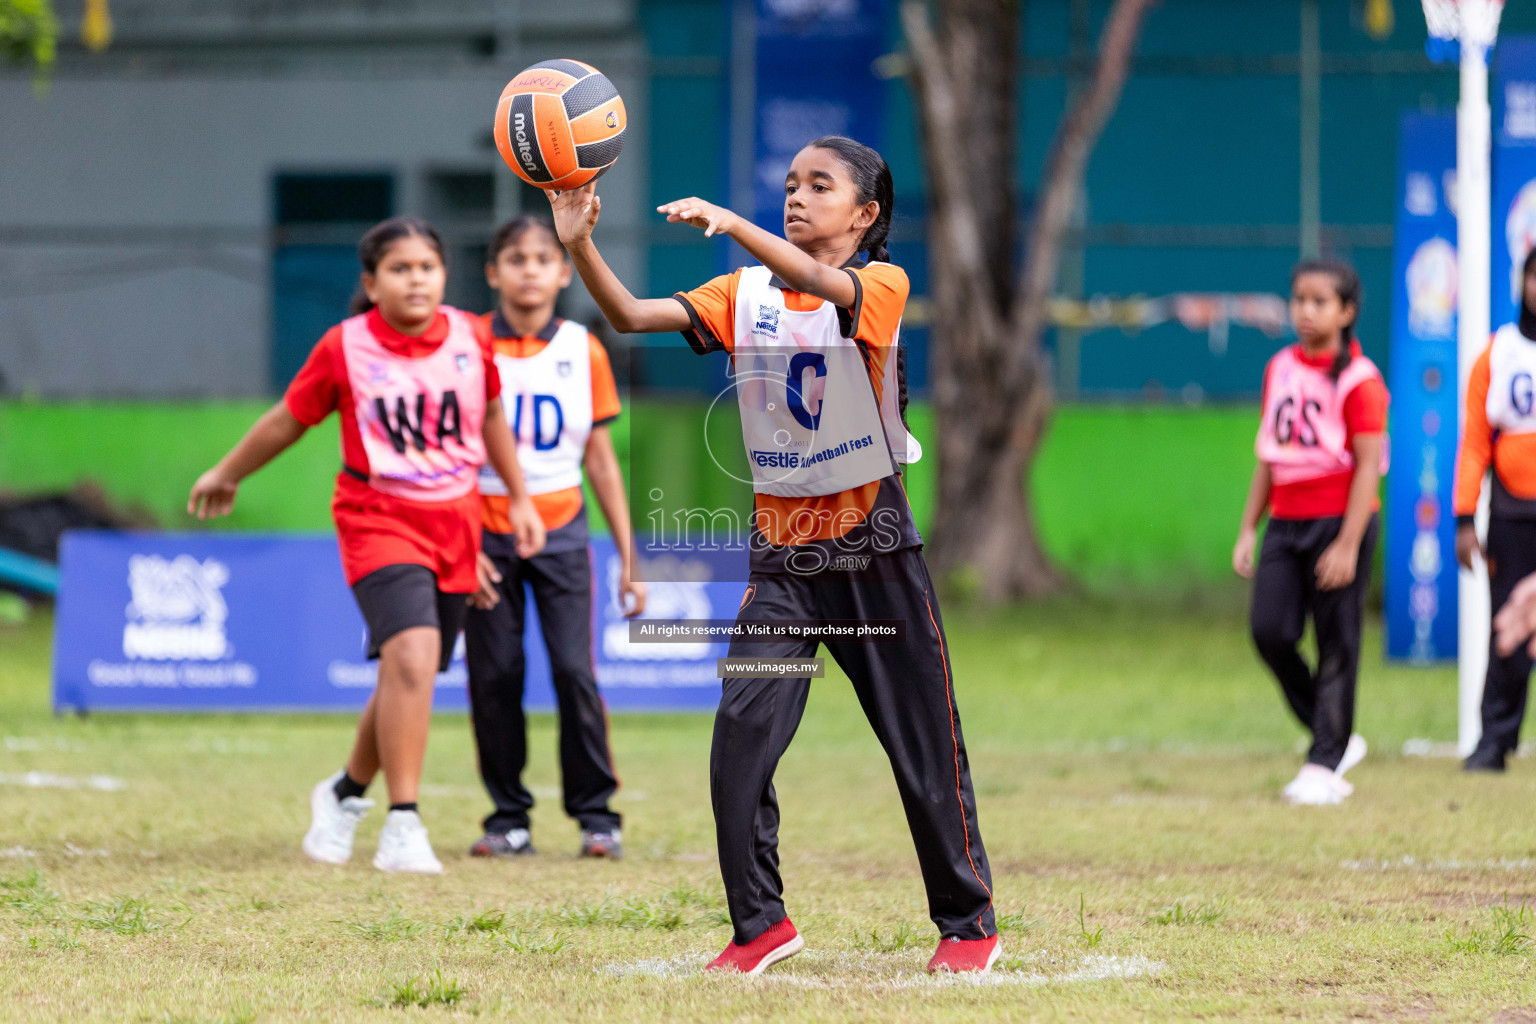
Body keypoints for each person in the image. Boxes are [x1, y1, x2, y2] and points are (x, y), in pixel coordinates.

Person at [547, 135, 999, 975]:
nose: (796, 195)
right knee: (742, 738)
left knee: (923, 747)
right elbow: (631, 317)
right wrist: (579, 242)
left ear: (864, 215)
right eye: (789, 183)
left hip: (876, 557)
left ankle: (968, 926)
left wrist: (734, 223)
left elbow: (821, 280)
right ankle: (761, 925)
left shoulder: (880, 287)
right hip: (785, 564)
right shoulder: (743, 291)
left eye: (818, 185)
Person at [188, 217, 545, 873]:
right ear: (371, 282)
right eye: (400, 269)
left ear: (444, 275)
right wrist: (227, 470)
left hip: (456, 520)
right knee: (411, 657)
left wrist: (518, 497)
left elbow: (491, 413)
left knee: (411, 675)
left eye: (427, 268)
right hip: (377, 517)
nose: (416, 279)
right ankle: (402, 824)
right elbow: (288, 418)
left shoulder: (471, 335)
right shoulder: (345, 346)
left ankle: (345, 792)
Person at [465, 215, 645, 861]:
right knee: (495, 675)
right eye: (515, 258)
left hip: (564, 527)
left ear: (564, 272)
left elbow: (600, 459)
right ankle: (507, 817)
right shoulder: (467, 343)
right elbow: (454, 451)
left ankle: (597, 816)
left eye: (544, 258)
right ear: (493, 272)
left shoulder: (583, 348)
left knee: (574, 671)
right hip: (485, 530)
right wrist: (460, 543)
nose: (531, 269)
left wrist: (629, 557)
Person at [1233, 258, 1388, 806]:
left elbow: (1368, 466)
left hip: (1338, 519)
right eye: (1299, 299)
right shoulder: (1280, 367)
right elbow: (1268, 454)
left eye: (1319, 301)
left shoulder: (1359, 380)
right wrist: (1250, 527)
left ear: (1346, 312)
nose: (1305, 310)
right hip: (1286, 521)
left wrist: (1347, 544)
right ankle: (1334, 733)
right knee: (1269, 632)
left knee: (1337, 642)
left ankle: (1324, 762)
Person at [1454, 249, 1536, 772]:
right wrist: (1465, 517)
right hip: (1513, 515)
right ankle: (1495, 740)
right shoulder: (1497, 353)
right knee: (1509, 626)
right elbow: (1475, 443)